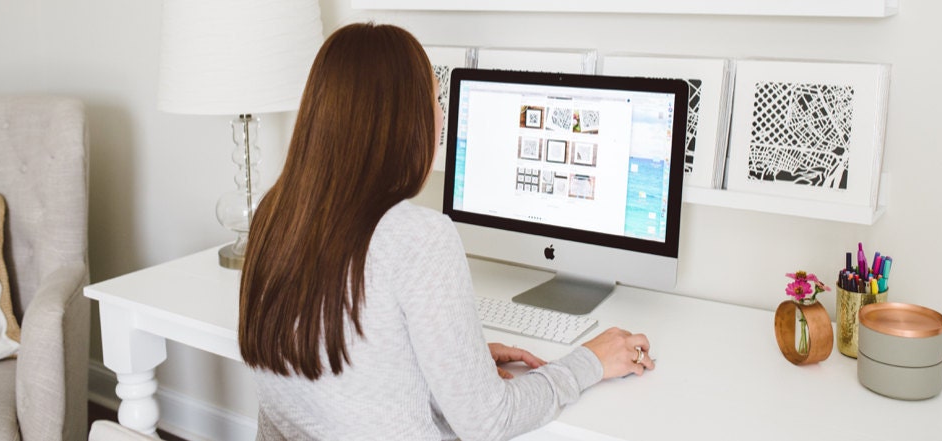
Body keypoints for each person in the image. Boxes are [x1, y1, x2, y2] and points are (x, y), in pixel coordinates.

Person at [239, 22, 655, 440]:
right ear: (403, 122)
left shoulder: (274, 219)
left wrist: (459, 367)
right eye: (435, 97)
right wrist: (590, 361)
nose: (442, 113)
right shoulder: (418, 237)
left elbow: (328, 386)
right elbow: (490, 422)